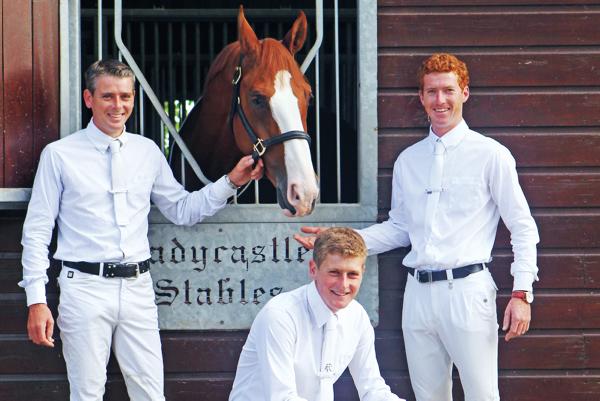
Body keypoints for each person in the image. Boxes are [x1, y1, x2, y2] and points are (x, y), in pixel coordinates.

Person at [295, 53, 539, 401]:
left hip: (467, 291)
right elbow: (399, 229)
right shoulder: (408, 160)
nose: (440, 100)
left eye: (448, 90)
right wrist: (339, 240)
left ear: (464, 93)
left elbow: (522, 226)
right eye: (432, 92)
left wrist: (522, 292)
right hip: (418, 295)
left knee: (482, 396)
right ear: (421, 98)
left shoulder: (491, 155)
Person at [19, 59, 263, 401]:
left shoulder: (147, 151)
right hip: (84, 288)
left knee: (150, 395)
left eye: (125, 96)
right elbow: (37, 231)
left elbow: (181, 209)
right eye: (108, 96)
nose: (117, 106)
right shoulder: (59, 155)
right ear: (89, 99)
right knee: (86, 394)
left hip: (138, 288)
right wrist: (36, 300)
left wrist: (231, 182)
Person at [229, 227, 404, 401]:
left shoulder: (357, 316)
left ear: (362, 273)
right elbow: (282, 398)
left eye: (352, 274)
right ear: (313, 269)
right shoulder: (280, 315)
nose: (343, 285)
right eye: (334, 273)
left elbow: (372, 389)